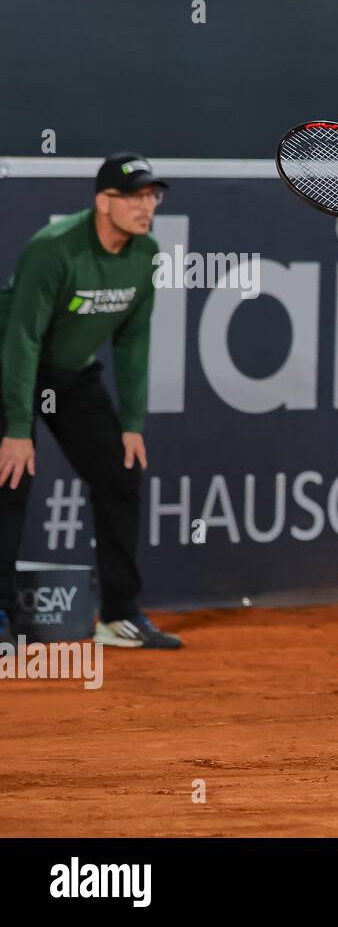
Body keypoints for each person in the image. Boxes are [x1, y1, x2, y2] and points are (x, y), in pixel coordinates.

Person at [0, 154, 181, 649]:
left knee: (121, 473)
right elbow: (22, 340)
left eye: (153, 196)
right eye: (136, 197)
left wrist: (131, 423)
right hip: (10, 362)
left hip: (70, 376)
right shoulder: (53, 250)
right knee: (9, 482)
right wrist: (17, 430)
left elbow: (132, 341)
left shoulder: (146, 254)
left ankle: (119, 615)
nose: (147, 207)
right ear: (104, 202)